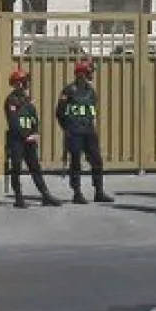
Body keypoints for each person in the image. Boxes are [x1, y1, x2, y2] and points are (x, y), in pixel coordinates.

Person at [55, 60, 112, 204]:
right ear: (81, 74)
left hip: (89, 131)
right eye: (89, 72)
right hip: (74, 132)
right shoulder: (69, 90)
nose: (91, 75)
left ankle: (99, 192)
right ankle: (77, 193)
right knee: (75, 162)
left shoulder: (91, 91)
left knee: (97, 160)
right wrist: (67, 128)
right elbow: (59, 112)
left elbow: (91, 109)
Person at [4, 70, 60, 209]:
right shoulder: (11, 100)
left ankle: (45, 195)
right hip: (17, 141)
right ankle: (18, 197)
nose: (26, 84)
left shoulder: (28, 100)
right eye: (24, 81)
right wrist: (26, 136)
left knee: (35, 168)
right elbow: (14, 123)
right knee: (16, 168)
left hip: (30, 140)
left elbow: (34, 118)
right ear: (18, 83)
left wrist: (35, 133)